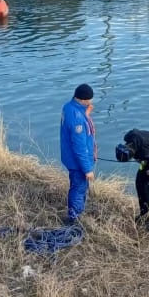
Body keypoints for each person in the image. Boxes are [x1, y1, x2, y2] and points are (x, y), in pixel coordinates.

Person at [60, 83, 97, 222]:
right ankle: (74, 217)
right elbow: (79, 147)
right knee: (79, 187)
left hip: (70, 157)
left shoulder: (69, 107)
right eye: (88, 100)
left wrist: (86, 114)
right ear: (82, 100)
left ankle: (77, 211)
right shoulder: (77, 119)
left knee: (79, 186)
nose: (90, 102)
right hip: (78, 162)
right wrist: (87, 169)